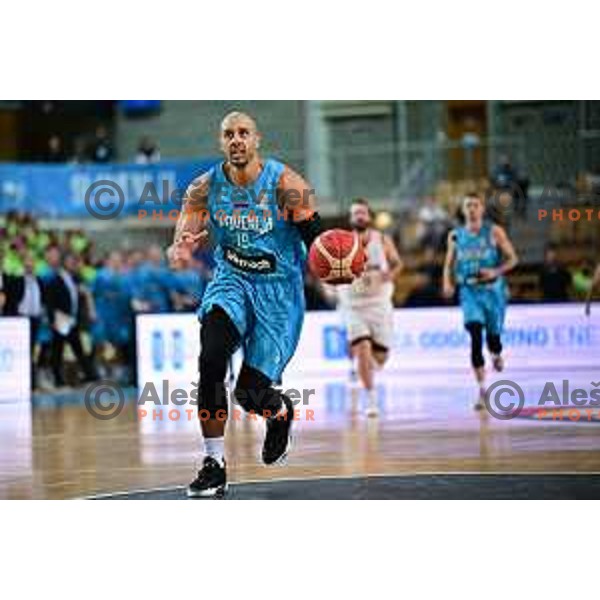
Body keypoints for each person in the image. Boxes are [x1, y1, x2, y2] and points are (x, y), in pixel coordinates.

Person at [167, 111, 335, 498]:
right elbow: (184, 231)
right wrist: (180, 247)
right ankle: (213, 463)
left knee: (249, 394)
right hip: (231, 281)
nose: (236, 140)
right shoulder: (204, 187)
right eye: (229, 134)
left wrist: (335, 264)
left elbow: (319, 240)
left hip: (278, 294)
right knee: (210, 360)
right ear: (221, 142)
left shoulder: (286, 183)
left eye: (243, 133)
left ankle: (279, 414)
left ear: (257, 140)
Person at [442, 193, 519, 410]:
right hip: (469, 291)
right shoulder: (455, 235)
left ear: (482, 209)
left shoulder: (494, 231)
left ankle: (496, 352)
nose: (472, 209)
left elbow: (513, 259)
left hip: (493, 292)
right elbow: (448, 263)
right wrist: (447, 283)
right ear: (463, 210)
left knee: (493, 337)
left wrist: (495, 270)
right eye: (468, 205)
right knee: (475, 335)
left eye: (476, 205)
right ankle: (483, 390)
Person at [336, 198, 403, 417]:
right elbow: (328, 268)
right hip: (353, 304)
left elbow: (397, 264)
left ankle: (362, 367)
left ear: (369, 217)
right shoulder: (341, 243)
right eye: (355, 213)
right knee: (362, 345)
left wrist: (390, 274)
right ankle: (370, 397)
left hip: (379, 302)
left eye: (362, 213)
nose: (359, 216)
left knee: (381, 357)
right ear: (350, 218)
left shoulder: (382, 239)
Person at [40, 248, 97, 387]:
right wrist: (53, 320)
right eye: (71, 261)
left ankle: (90, 377)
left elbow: (80, 297)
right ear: (64, 263)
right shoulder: (56, 280)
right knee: (58, 351)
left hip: (72, 320)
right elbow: (50, 302)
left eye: (74, 261)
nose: (73, 264)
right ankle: (59, 381)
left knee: (78, 349)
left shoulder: (75, 279)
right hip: (61, 319)